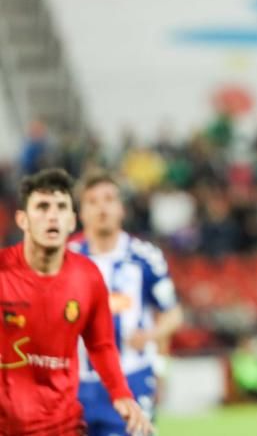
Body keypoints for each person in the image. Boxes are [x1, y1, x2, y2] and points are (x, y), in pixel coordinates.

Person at [0, 168, 153, 436]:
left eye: (61, 207)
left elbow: (101, 344)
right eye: (42, 207)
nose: (52, 215)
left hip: (63, 425)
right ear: (22, 219)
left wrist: (121, 394)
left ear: (71, 222)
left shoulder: (88, 277)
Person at [72, 170, 184, 436]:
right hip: (77, 383)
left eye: (109, 199)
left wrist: (151, 337)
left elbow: (173, 314)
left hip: (132, 377)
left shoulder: (145, 257)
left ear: (121, 208)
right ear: (80, 213)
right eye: (93, 201)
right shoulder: (67, 259)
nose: (102, 207)